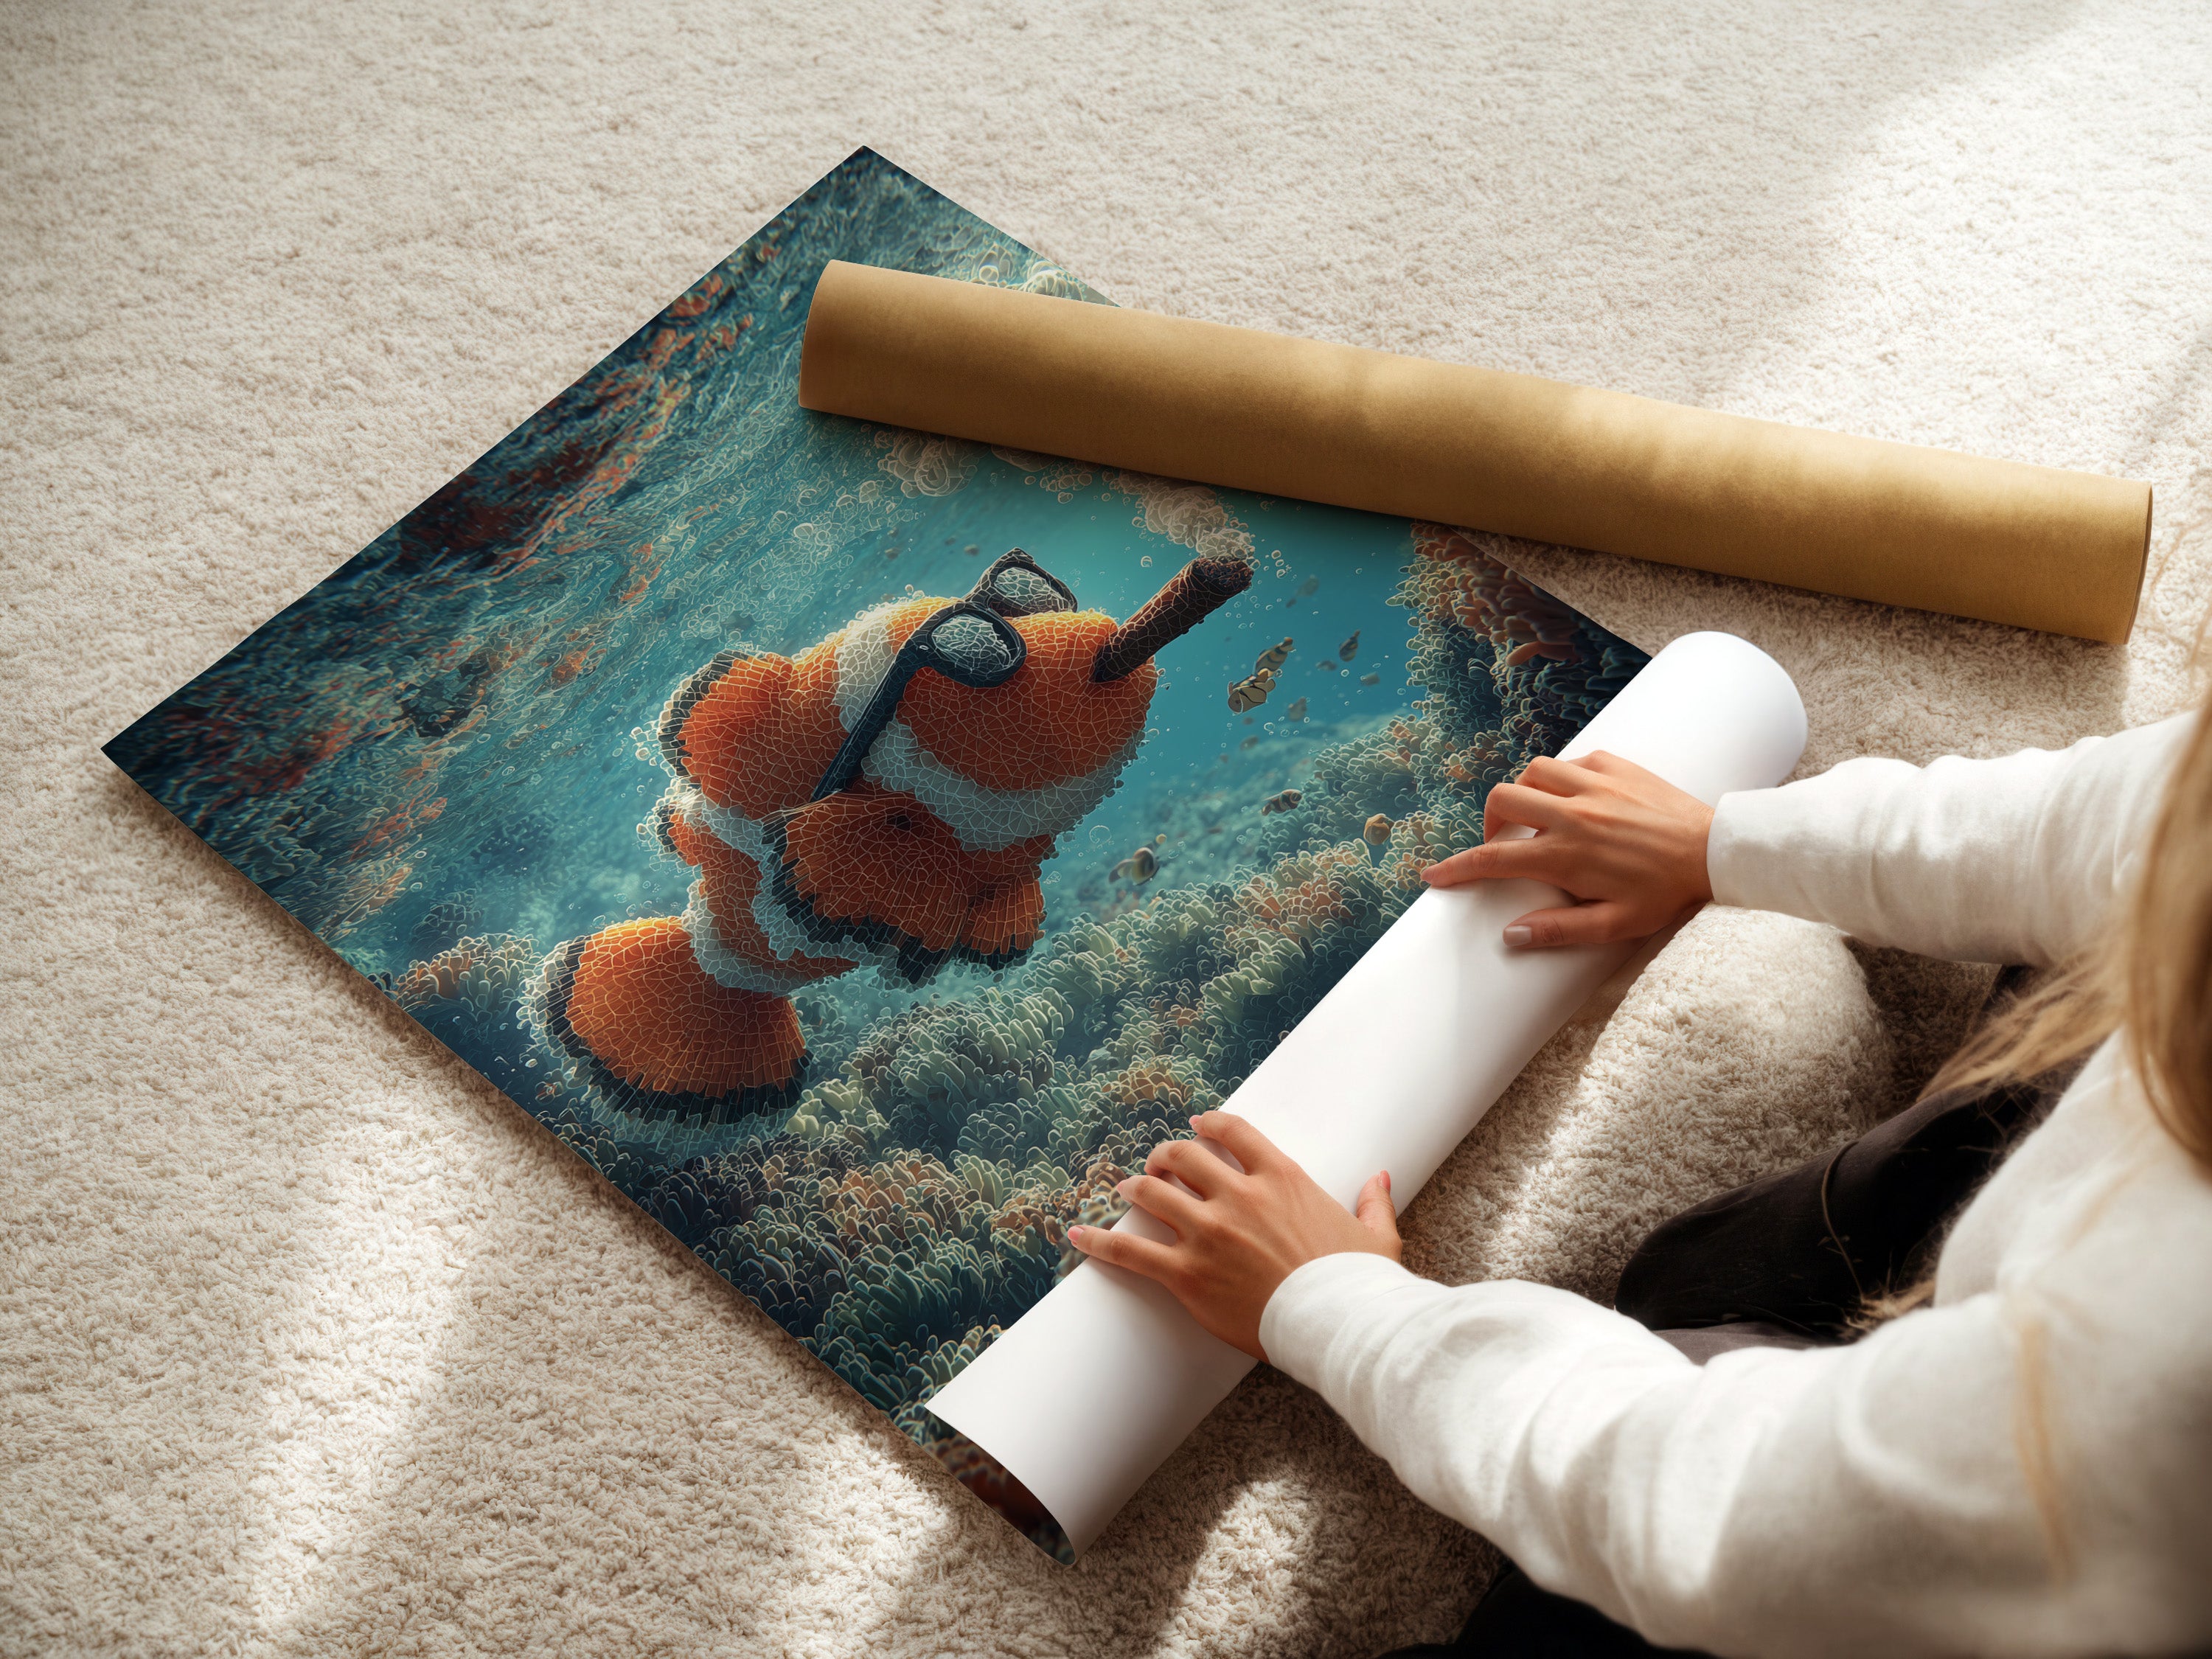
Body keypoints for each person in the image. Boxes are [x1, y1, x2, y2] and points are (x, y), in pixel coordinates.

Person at [1068, 703, 2212, 1657]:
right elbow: (2120, 816)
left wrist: (1337, 1306)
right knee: (1699, 1274)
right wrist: (1721, 841)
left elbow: (1715, 1512)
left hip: (2050, 1551)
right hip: (2061, 1307)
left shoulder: (2156, 1379)